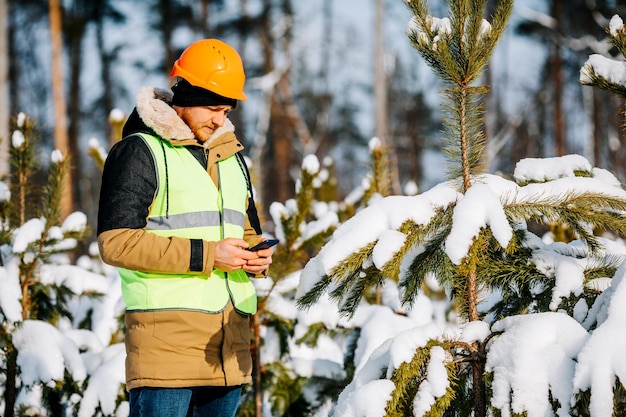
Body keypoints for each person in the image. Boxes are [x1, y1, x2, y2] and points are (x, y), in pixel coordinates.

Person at [97, 38, 273, 417]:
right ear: (186, 97)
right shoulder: (140, 152)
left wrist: (256, 254)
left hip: (228, 351)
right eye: (212, 108)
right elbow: (116, 243)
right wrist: (210, 255)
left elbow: (245, 229)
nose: (219, 120)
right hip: (166, 354)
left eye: (226, 110)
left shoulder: (231, 156)